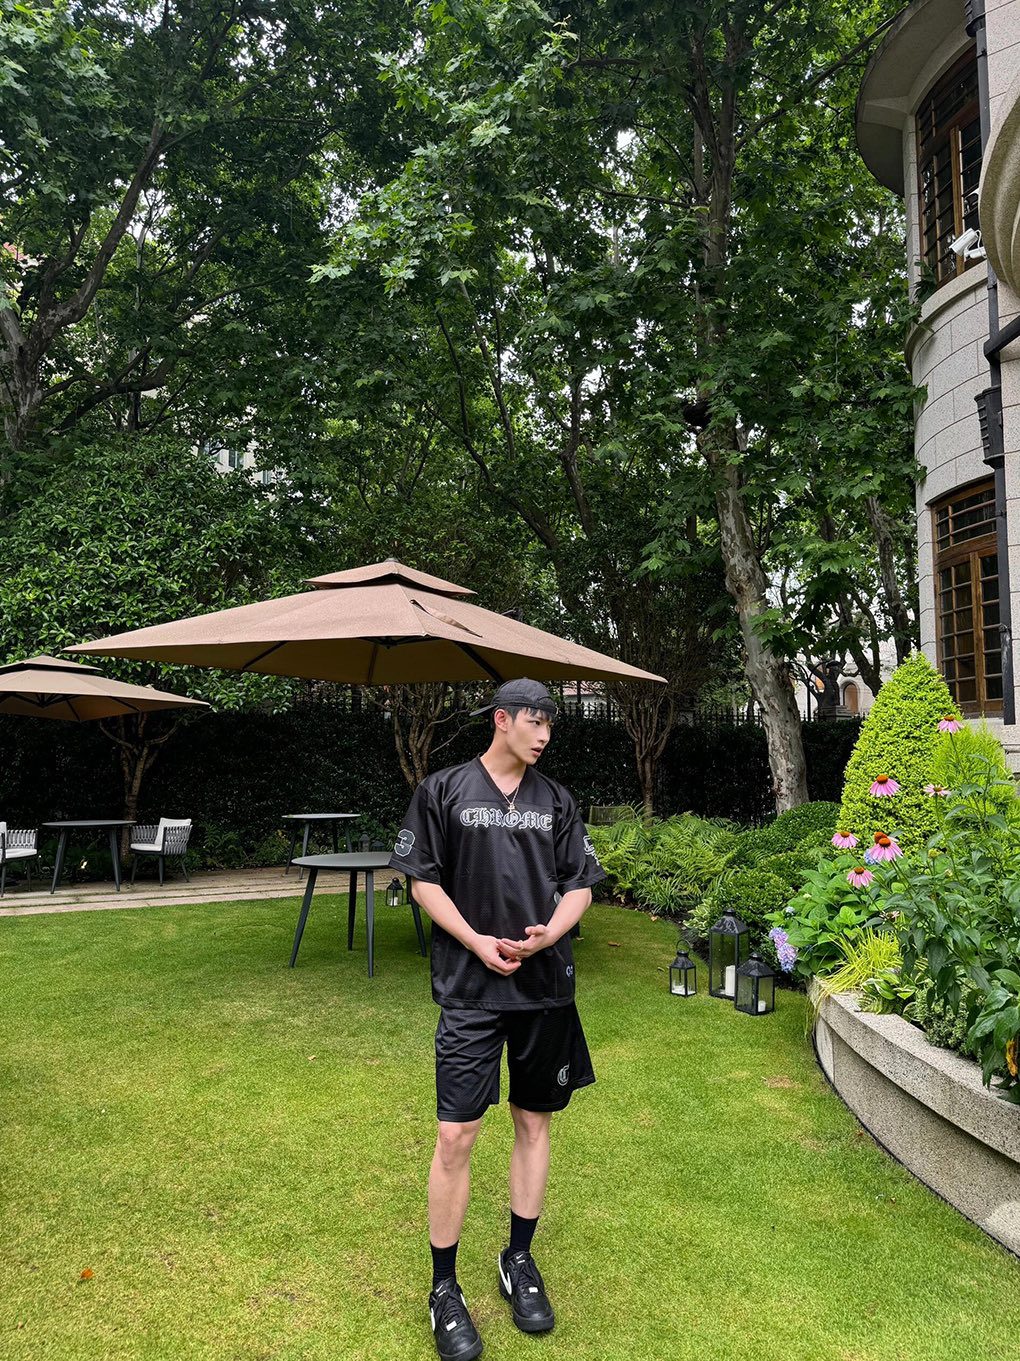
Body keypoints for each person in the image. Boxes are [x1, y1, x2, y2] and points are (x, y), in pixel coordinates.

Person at [388, 677, 605, 1361]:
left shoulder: (557, 801)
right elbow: (423, 881)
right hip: (470, 989)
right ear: (502, 720)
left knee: (534, 1123)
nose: (545, 735)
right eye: (535, 721)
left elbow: (579, 886)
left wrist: (547, 936)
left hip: (544, 990)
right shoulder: (443, 791)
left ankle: (518, 1259)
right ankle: (444, 1289)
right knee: (456, 1135)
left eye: (551, 724)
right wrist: (476, 941)